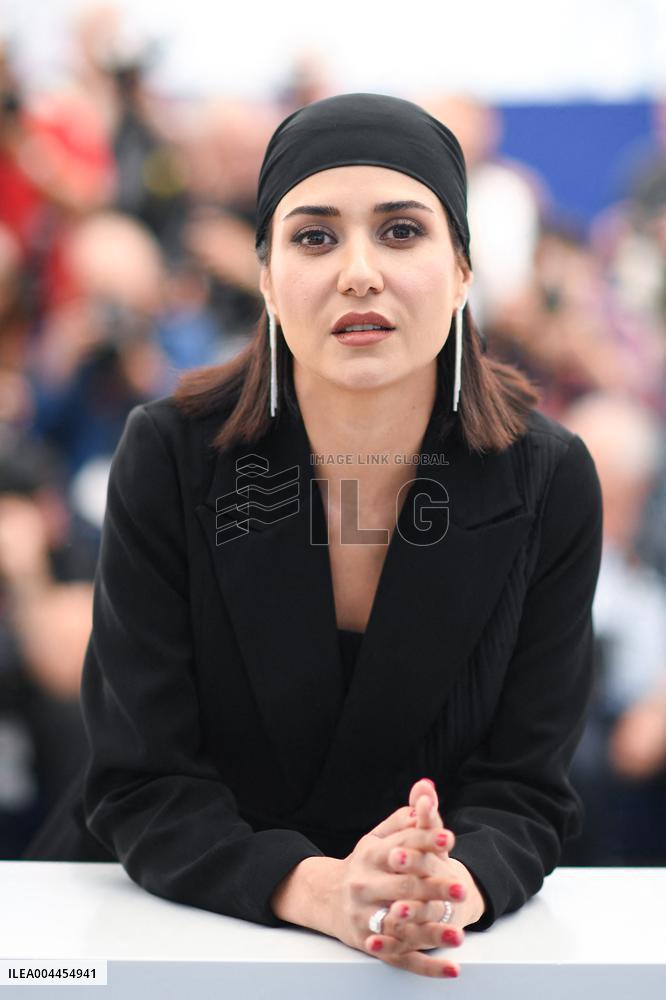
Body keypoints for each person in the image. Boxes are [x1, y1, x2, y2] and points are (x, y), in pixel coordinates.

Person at [23, 93, 603, 981]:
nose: (359, 273)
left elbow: (527, 788)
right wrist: (320, 891)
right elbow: (143, 780)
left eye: (401, 231)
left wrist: (450, 890)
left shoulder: (550, 479)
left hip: (425, 956)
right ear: (265, 276)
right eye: (315, 237)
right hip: (164, 933)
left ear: (462, 271)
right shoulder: (169, 456)